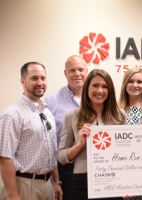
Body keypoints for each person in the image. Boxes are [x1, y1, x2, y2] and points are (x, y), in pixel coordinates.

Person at [57, 69, 126, 200]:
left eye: (104, 86)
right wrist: (79, 144)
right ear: (87, 88)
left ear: (110, 90)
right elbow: (61, 156)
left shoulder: (120, 115)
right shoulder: (72, 116)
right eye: (95, 85)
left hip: (113, 181)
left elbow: (127, 151)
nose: (100, 91)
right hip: (82, 183)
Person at [0, 62, 62, 200]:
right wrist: (13, 194)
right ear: (23, 81)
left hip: (48, 184)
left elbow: (51, 151)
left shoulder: (47, 112)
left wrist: (56, 182)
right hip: (24, 185)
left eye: (43, 78)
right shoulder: (12, 114)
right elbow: (5, 157)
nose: (40, 83)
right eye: (34, 78)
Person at [45, 55, 88, 200]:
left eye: (81, 69)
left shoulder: (98, 98)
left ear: (87, 71)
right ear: (65, 73)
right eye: (72, 70)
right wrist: (56, 179)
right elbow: (48, 141)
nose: (77, 74)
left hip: (94, 165)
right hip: (65, 167)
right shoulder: (51, 100)